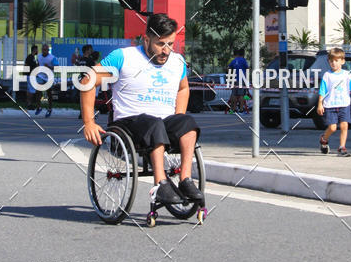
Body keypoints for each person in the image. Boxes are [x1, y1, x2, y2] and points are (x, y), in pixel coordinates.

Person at [80, 13, 203, 206]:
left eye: (170, 44)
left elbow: (183, 88)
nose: (166, 50)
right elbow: (87, 81)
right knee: (153, 123)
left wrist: (178, 116)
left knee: (188, 123)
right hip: (130, 123)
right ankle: (160, 184)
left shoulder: (177, 61)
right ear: (146, 39)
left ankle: (185, 179)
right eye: (160, 44)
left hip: (162, 123)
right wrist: (89, 122)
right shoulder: (123, 57)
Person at [317, 47, 351, 157]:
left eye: (336, 60)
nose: (334, 63)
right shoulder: (327, 75)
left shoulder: (346, 74)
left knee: (344, 126)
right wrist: (320, 104)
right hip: (330, 105)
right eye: (331, 61)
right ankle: (324, 139)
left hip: (344, 105)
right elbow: (322, 91)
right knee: (333, 128)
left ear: (342, 61)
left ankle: (342, 147)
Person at [36, 43, 57, 118]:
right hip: (40, 76)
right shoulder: (39, 56)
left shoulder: (52, 58)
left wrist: (49, 67)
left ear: (48, 50)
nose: (44, 51)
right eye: (43, 50)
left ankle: (50, 108)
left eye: (46, 50)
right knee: (38, 91)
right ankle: (39, 107)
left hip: (49, 77)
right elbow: (38, 64)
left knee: (49, 93)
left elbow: (57, 67)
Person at [227, 48, 249, 114]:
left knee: (234, 94)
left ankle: (233, 109)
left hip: (234, 78)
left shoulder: (234, 60)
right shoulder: (243, 60)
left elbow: (228, 68)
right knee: (241, 94)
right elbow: (247, 68)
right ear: (243, 54)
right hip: (241, 79)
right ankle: (241, 109)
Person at [24, 44, 38, 110]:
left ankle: (28, 103)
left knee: (29, 89)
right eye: (37, 50)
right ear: (34, 50)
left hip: (30, 75)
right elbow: (29, 65)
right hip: (31, 75)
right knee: (31, 90)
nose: (37, 51)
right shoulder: (31, 57)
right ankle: (29, 104)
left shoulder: (32, 57)